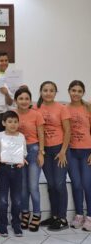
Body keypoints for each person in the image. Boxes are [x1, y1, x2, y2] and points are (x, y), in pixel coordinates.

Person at [36, 81, 71, 231]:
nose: (48, 93)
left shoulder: (62, 108)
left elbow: (68, 131)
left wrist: (63, 151)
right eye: (45, 90)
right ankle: (55, 216)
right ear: (41, 92)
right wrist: (41, 151)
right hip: (45, 151)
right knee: (51, 185)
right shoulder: (36, 108)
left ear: (55, 93)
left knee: (59, 183)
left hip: (59, 150)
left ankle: (63, 218)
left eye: (51, 90)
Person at [15, 88, 45, 232]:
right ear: (16, 101)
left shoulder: (36, 115)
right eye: (21, 98)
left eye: (27, 98)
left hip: (33, 151)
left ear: (30, 100)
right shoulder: (12, 114)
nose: (24, 101)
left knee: (33, 186)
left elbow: (41, 135)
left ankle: (37, 214)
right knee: (23, 187)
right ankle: (25, 213)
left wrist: (41, 152)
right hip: (17, 152)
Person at [0, 111, 27, 237]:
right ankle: (3, 224)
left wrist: (22, 160)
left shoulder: (21, 136)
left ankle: (16, 223)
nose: (13, 124)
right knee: (2, 199)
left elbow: (24, 153)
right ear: (4, 123)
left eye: (15, 122)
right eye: (9, 122)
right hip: (3, 169)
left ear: (18, 123)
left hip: (17, 170)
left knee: (17, 199)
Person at [66, 80, 91, 231]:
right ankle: (79, 215)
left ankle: (89, 217)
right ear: (69, 91)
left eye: (79, 91)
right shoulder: (65, 108)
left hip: (87, 150)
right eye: (73, 90)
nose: (76, 93)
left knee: (87, 185)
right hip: (71, 151)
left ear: (83, 93)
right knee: (76, 184)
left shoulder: (88, 108)